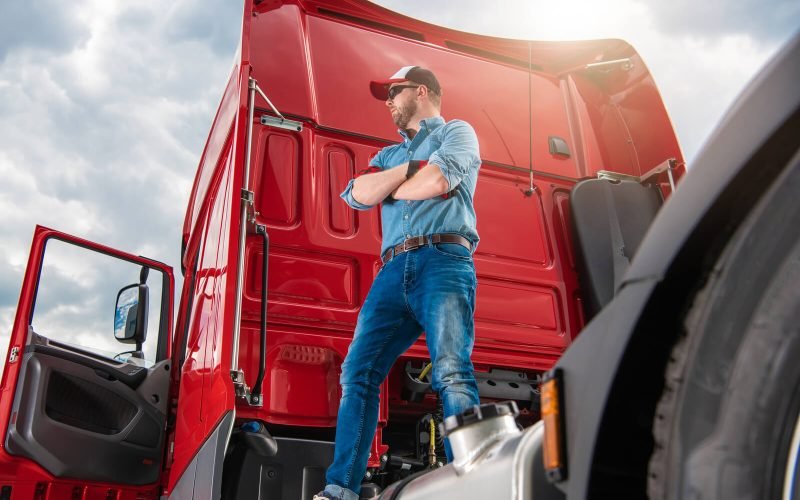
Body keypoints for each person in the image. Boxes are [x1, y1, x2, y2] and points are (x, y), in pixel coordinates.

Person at [316, 66, 482, 500]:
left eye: (393, 92)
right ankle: (340, 491)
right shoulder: (390, 154)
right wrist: (408, 171)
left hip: (444, 259)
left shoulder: (458, 133)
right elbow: (357, 194)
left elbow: (439, 179)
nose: (388, 101)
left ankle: (470, 485)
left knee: (451, 370)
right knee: (359, 372)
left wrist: (395, 186)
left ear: (421, 91)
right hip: (392, 271)